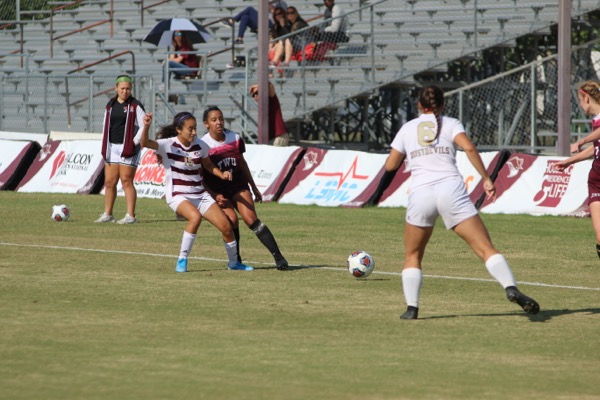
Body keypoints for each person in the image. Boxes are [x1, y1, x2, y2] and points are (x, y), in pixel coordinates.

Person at [384, 85, 540, 320]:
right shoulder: (450, 123)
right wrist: (487, 179)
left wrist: (413, 152)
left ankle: (412, 308)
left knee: (413, 255)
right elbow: (468, 146)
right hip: (451, 190)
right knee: (485, 248)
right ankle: (510, 287)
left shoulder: (407, 128)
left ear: (419, 105)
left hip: (421, 193)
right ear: (443, 105)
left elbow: (390, 166)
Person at [140, 111, 253, 272]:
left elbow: (207, 165)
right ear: (179, 130)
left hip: (200, 194)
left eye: (195, 129)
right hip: (178, 194)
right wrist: (146, 126)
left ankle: (234, 263)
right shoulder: (167, 144)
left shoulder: (201, 145)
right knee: (195, 217)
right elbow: (144, 143)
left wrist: (221, 174)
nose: (194, 132)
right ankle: (182, 259)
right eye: (190, 129)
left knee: (227, 227)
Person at [200, 106, 289, 270]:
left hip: (237, 185)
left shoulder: (234, 138)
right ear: (206, 124)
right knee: (232, 221)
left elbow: (242, 163)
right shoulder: (202, 144)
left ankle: (279, 257)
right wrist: (214, 195)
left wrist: (254, 187)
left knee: (251, 219)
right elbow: (200, 175)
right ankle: (236, 259)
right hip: (218, 190)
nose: (219, 122)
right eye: (214, 120)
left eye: (221, 118)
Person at [554, 80, 600, 260]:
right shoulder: (595, 120)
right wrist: (569, 162)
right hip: (596, 180)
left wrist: (581, 141)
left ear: (586, 98)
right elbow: (595, 148)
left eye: (580, 101)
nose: (581, 106)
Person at [96, 75, 146, 224]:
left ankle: (130, 216)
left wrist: (134, 141)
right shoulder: (110, 104)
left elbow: (144, 125)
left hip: (128, 148)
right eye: (122, 88)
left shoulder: (135, 105)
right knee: (110, 182)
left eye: (128, 88)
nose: (125, 91)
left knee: (126, 181)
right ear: (116, 88)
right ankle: (108, 214)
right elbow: (106, 124)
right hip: (112, 147)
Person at [221, 0, 288, 45]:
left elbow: (283, 13)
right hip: (262, 23)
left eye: (269, 4)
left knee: (250, 9)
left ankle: (232, 21)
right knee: (245, 17)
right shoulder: (267, 9)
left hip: (271, 26)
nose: (267, 5)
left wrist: (273, 10)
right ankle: (239, 39)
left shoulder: (281, 4)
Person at [249, 82, 289, 146]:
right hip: (271, 138)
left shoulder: (271, 99)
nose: (255, 96)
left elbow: (270, 86)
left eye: (257, 92)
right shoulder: (262, 107)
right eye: (253, 95)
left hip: (278, 137)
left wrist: (259, 85)